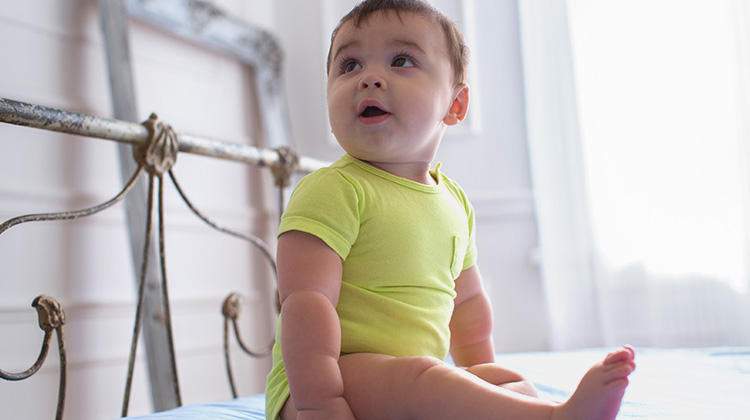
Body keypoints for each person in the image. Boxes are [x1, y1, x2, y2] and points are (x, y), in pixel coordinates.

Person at [265, 1, 636, 419]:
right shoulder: (334, 189)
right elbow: (305, 302)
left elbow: (469, 303)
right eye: (349, 65)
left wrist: (479, 373)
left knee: (510, 384)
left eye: (401, 60)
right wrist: (319, 403)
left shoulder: (453, 201)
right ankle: (554, 418)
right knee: (422, 378)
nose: (368, 78)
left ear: (455, 106)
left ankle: (530, 409)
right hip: (328, 382)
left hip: (403, 387)